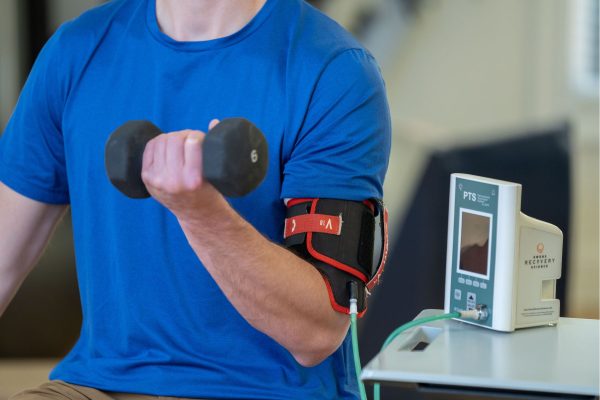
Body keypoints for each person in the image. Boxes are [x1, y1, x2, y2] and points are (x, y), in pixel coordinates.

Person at [0, 0, 391, 398]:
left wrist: (201, 214)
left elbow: (317, 332)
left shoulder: (334, 70)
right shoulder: (76, 51)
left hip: (263, 390)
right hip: (97, 384)